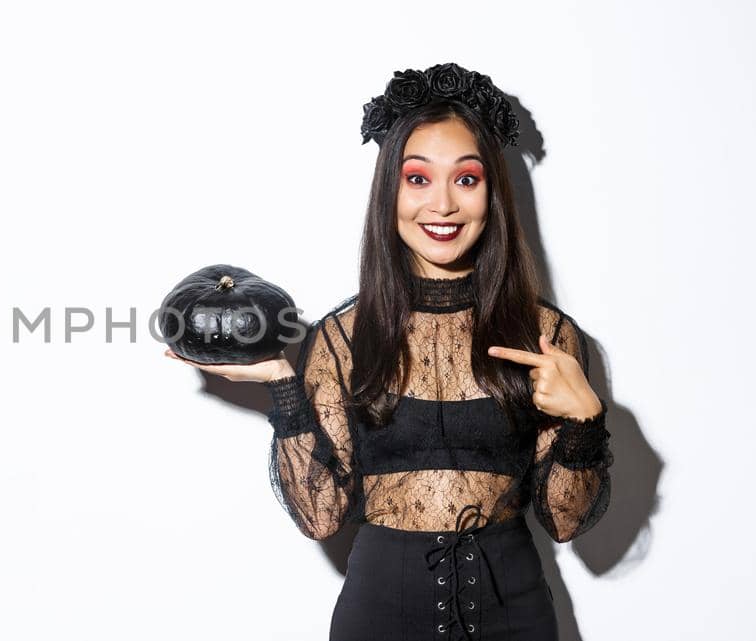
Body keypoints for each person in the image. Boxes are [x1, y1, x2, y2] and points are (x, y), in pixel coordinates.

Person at [164, 62, 611, 641]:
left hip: (514, 617)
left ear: (492, 192)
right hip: (379, 618)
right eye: (418, 178)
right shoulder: (342, 337)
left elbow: (566, 522)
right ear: (389, 191)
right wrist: (282, 383)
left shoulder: (545, 335)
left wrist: (584, 420)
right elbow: (321, 517)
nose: (443, 205)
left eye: (467, 179)